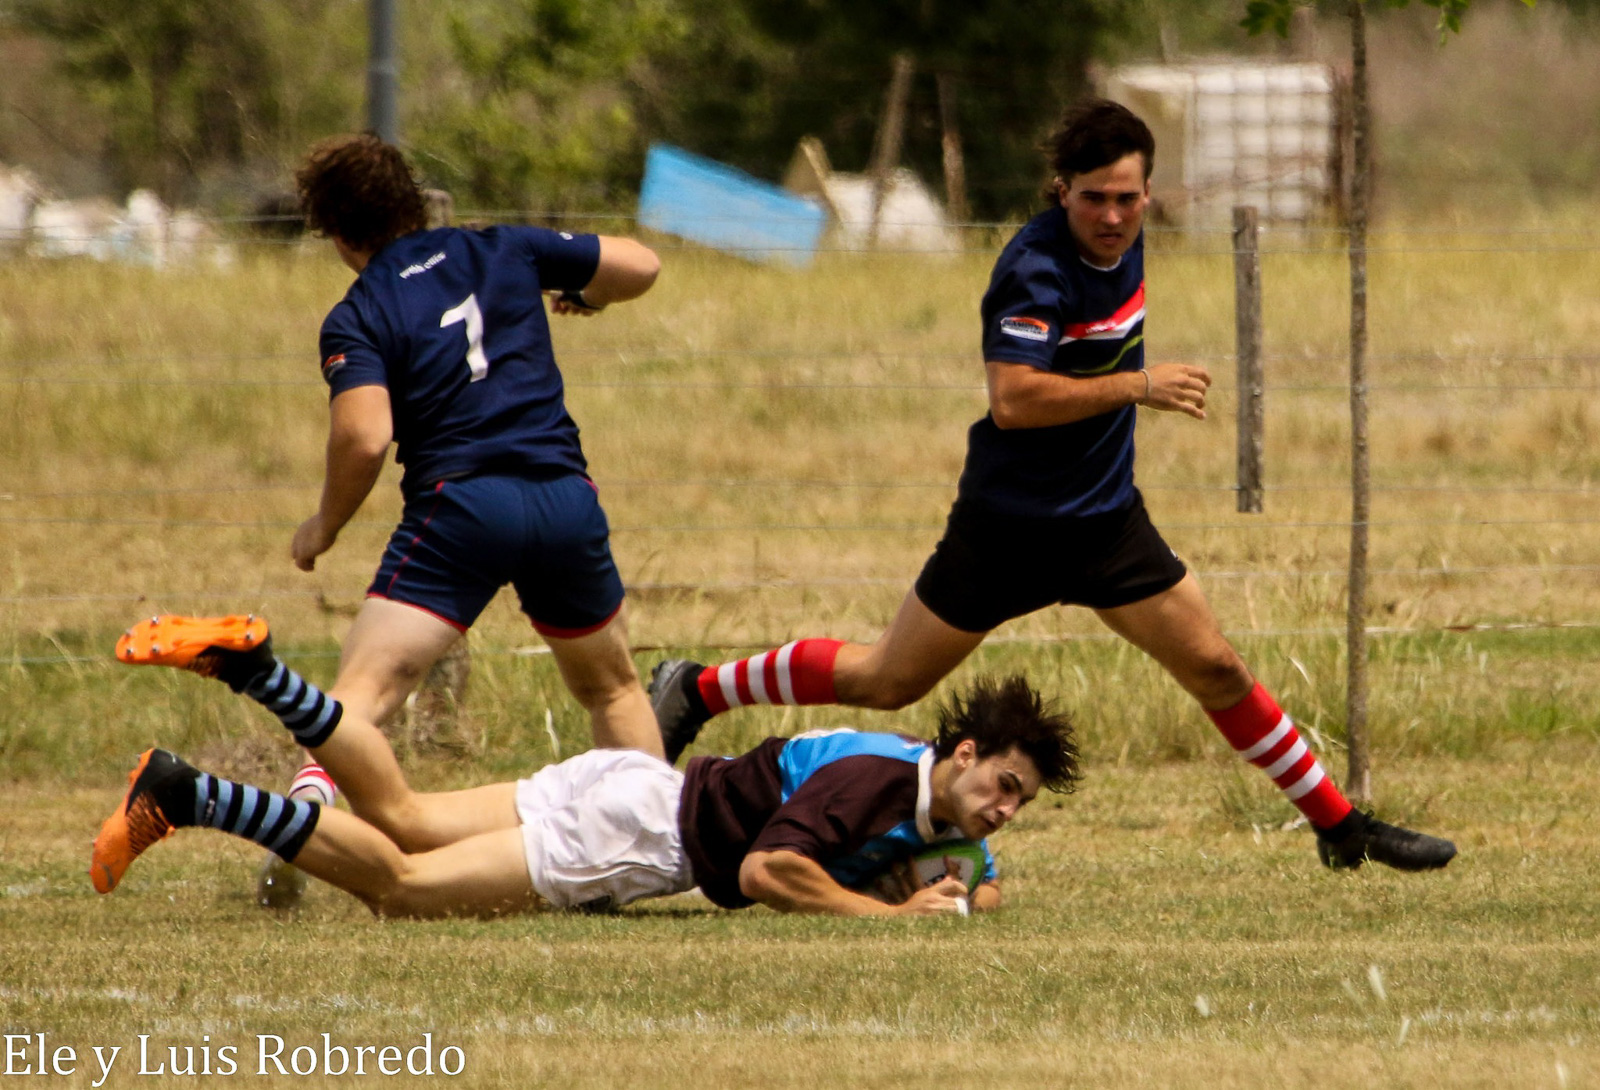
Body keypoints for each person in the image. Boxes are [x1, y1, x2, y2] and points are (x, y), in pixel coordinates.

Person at [648, 99, 1456, 874]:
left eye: (1127, 198)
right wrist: (1138, 386)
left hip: (1106, 524)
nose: (1112, 215)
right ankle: (699, 688)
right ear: (1060, 191)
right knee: (886, 681)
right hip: (1008, 529)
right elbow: (1015, 399)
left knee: (1217, 668)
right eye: (1094, 198)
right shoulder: (1035, 271)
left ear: (1148, 193)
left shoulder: (1130, 240)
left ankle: (1340, 828)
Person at [260, 135, 664, 903]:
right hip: (561, 498)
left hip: (464, 510)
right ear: (414, 202)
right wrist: (591, 294)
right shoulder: (504, 246)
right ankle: (654, 855)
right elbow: (641, 264)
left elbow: (365, 436)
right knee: (612, 690)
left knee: (363, 695)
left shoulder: (360, 311)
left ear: (337, 234)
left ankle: (306, 816)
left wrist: (325, 525)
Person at [94, 615, 1082, 918]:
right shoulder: (877, 784)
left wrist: (969, 889)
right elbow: (766, 870)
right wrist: (890, 917)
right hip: (644, 834)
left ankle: (258, 669)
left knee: (401, 810)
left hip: (638, 781)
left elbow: (972, 872)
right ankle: (188, 793)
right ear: (962, 753)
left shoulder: (916, 778)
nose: (1003, 810)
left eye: (1019, 803)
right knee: (401, 886)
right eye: (1003, 785)